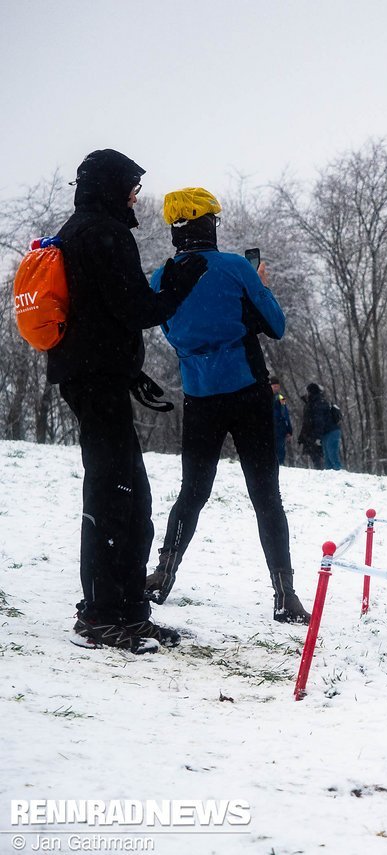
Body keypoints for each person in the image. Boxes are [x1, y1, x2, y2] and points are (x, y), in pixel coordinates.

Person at [49, 150, 206, 652]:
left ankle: (127, 612)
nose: (136, 195)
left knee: (127, 495)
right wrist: (180, 281)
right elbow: (136, 308)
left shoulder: (78, 229)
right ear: (113, 186)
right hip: (96, 380)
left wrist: (129, 372)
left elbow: (100, 314)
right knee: (115, 495)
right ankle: (101, 616)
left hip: (94, 376)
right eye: (132, 186)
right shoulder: (105, 234)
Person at [143, 188, 310, 624]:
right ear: (209, 224)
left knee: (192, 492)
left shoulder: (160, 277)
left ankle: (163, 573)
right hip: (248, 392)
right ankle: (284, 594)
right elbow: (275, 325)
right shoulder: (236, 267)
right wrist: (262, 287)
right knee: (266, 496)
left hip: (199, 397)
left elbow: (170, 329)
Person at [298, 383, 341, 470]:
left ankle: (338, 472)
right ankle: (331, 475)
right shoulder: (316, 402)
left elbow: (319, 422)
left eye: (308, 392)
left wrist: (317, 437)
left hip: (331, 432)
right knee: (327, 457)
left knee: (332, 455)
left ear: (311, 392)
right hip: (327, 432)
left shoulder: (318, 404)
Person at [270, 376, 293, 466]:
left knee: (280, 448)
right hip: (268, 426)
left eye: (277, 386)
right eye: (274, 386)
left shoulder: (280, 398)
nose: (276, 388)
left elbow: (285, 414)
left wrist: (288, 430)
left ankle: (280, 464)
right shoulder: (265, 397)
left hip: (279, 428)